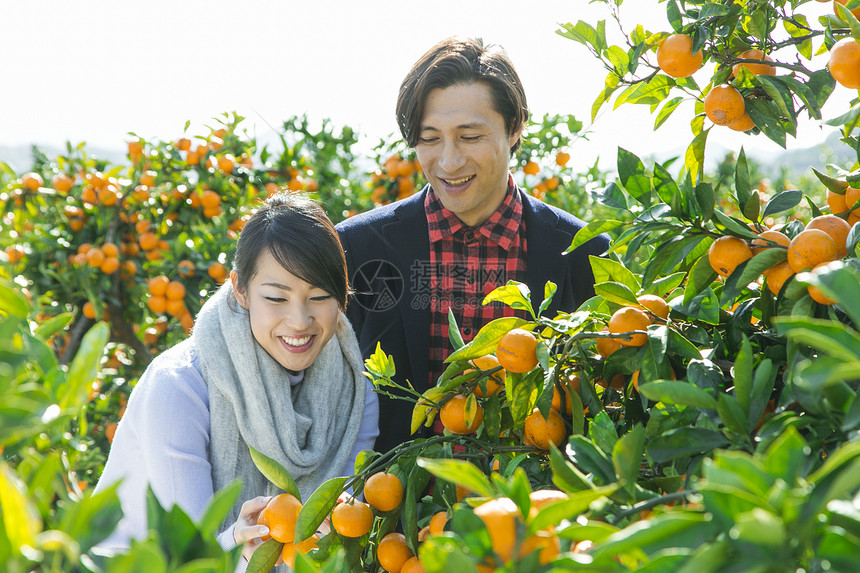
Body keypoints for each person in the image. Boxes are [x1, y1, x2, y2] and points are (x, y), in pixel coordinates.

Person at [336, 36, 609, 455]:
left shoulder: (581, 252)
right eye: (430, 139)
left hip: (533, 507)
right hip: (390, 509)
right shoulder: (357, 247)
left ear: (515, 127)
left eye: (469, 136)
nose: (448, 161)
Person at [93, 193, 379, 570]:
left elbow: (339, 532)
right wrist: (235, 543)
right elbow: (188, 554)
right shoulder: (180, 386)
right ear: (241, 289)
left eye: (320, 296)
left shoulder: (356, 392)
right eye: (276, 298)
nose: (299, 320)